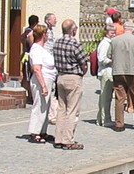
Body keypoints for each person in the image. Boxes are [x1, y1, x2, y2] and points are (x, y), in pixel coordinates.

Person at [53, 19, 90, 150]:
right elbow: (84, 61)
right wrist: (82, 73)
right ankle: (67, 140)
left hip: (60, 77)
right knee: (72, 111)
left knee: (61, 109)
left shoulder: (57, 42)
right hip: (73, 77)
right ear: (73, 30)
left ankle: (58, 138)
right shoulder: (74, 43)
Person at [109, 28, 134, 131]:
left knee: (120, 98)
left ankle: (119, 124)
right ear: (132, 30)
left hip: (118, 71)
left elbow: (109, 55)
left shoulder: (114, 40)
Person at [26, 24, 56, 144]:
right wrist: (43, 85)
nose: (48, 35)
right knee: (39, 106)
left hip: (48, 79)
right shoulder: (36, 49)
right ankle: (34, 132)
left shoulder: (42, 49)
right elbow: (37, 68)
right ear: (43, 35)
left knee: (45, 107)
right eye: (46, 33)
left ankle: (42, 131)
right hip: (41, 80)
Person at [95, 24, 117, 127]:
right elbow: (102, 59)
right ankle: (104, 119)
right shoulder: (105, 44)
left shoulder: (109, 43)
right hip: (106, 71)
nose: (114, 34)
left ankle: (101, 118)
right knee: (105, 97)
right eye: (112, 33)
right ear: (107, 33)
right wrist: (113, 61)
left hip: (108, 70)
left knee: (106, 97)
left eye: (114, 33)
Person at [21, 14, 39, 103]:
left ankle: (30, 95)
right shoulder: (29, 32)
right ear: (35, 23)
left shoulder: (26, 32)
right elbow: (32, 45)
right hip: (29, 56)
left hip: (25, 55)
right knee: (29, 76)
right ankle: (30, 95)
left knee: (27, 75)